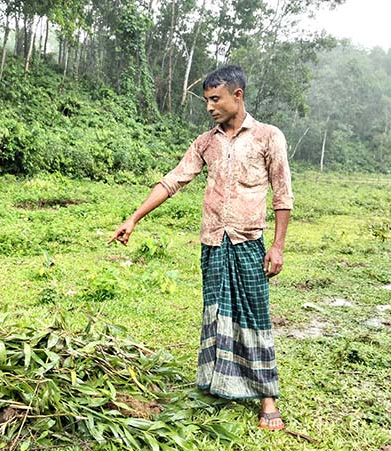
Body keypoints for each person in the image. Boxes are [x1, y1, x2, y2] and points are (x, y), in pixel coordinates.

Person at [108, 65, 293, 431]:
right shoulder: (205, 142)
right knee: (216, 313)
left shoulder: (268, 137)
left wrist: (278, 246)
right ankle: (218, 383)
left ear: (236, 96)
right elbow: (173, 180)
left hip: (249, 243)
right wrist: (134, 218)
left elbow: (282, 194)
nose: (209, 107)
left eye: (215, 99)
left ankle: (266, 396)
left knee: (254, 316)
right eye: (206, 100)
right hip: (212, 242)